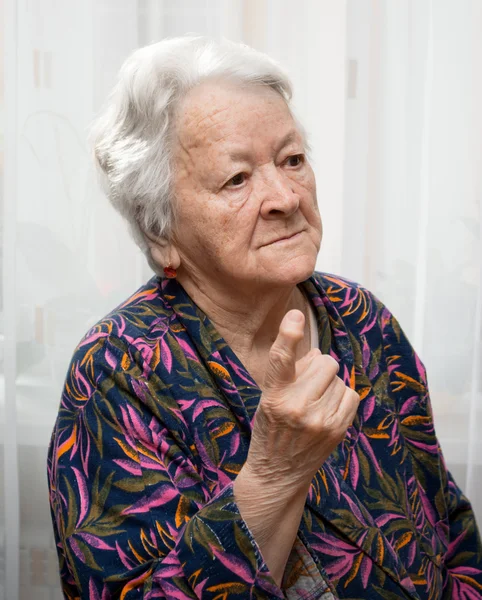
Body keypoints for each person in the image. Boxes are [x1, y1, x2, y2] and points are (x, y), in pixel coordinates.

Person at [47, 35, 482, 599]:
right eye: (237, 179)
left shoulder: (360, 318)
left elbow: (448, 525)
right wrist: (274, 474)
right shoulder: (117, 371)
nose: (285, 196)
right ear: (161, 231)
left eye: (292, 159)